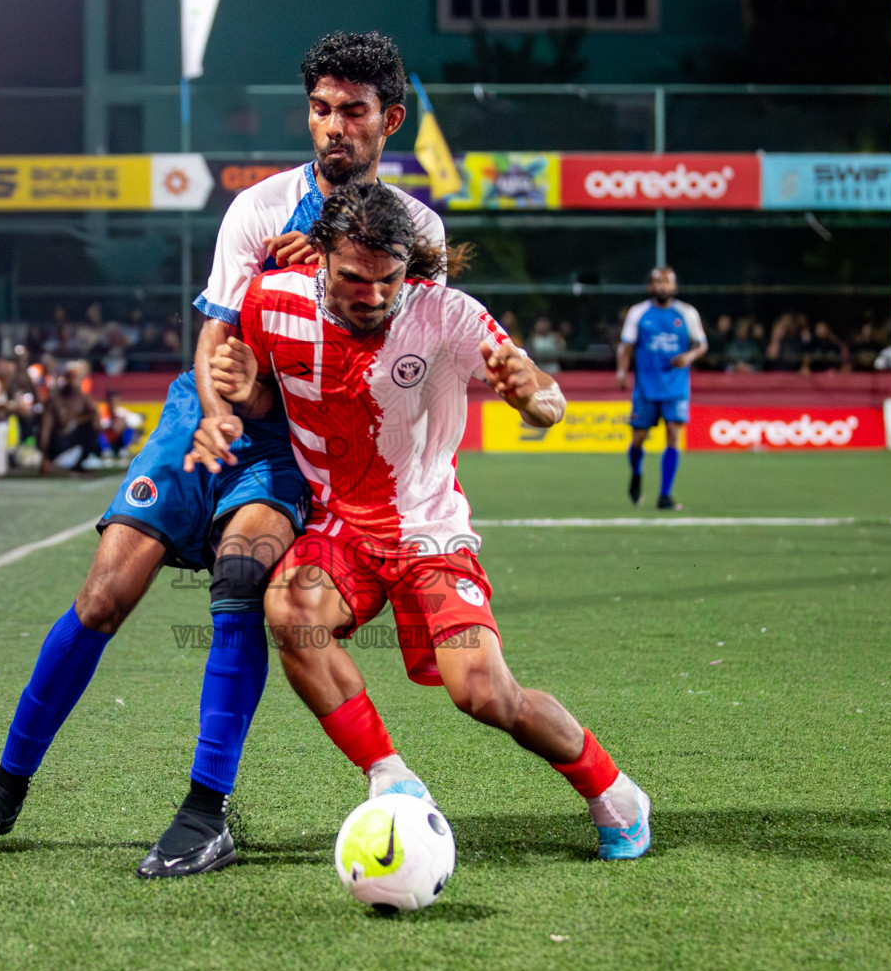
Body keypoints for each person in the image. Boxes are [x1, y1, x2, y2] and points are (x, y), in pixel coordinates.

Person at [0, 31, 443, 879]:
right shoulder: (260, 208)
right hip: (204, 416)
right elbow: (216, 334)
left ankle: (206, 813)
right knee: (103, 594)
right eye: (321, 110)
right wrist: (212, 412)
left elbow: (401, 366)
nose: (334, 128)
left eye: (354, 111)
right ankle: (5, 789)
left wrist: (329, 283)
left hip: (295, 440)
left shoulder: (416, 232)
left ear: (391, 117)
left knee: (242, 578)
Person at [190, 181, 651, 861]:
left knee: (485, 694)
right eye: (353, 277)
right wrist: (241, 390)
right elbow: (266, 400)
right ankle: (393, 780)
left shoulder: (449, 315)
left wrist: (536, 399)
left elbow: (545, 397)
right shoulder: (270, 302)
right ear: (319, 258)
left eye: (388, 279)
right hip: (340, 529)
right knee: (291, 610)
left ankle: (612, 790)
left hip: (428, 532)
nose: (372, 295)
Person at [616, 267, 706, 511]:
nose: (662, 286)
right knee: (638, 439)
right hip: (646, 386)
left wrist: (688, 357)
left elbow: (701, 344)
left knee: (673, 435)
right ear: (650, 287)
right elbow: (626, 346)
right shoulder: (639, 313)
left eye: (667, 282)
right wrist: (622, 370)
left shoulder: (686, 313)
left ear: (674, 286)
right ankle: (636, 473)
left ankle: (664, 495)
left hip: (676, 385)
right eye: (658, 282)